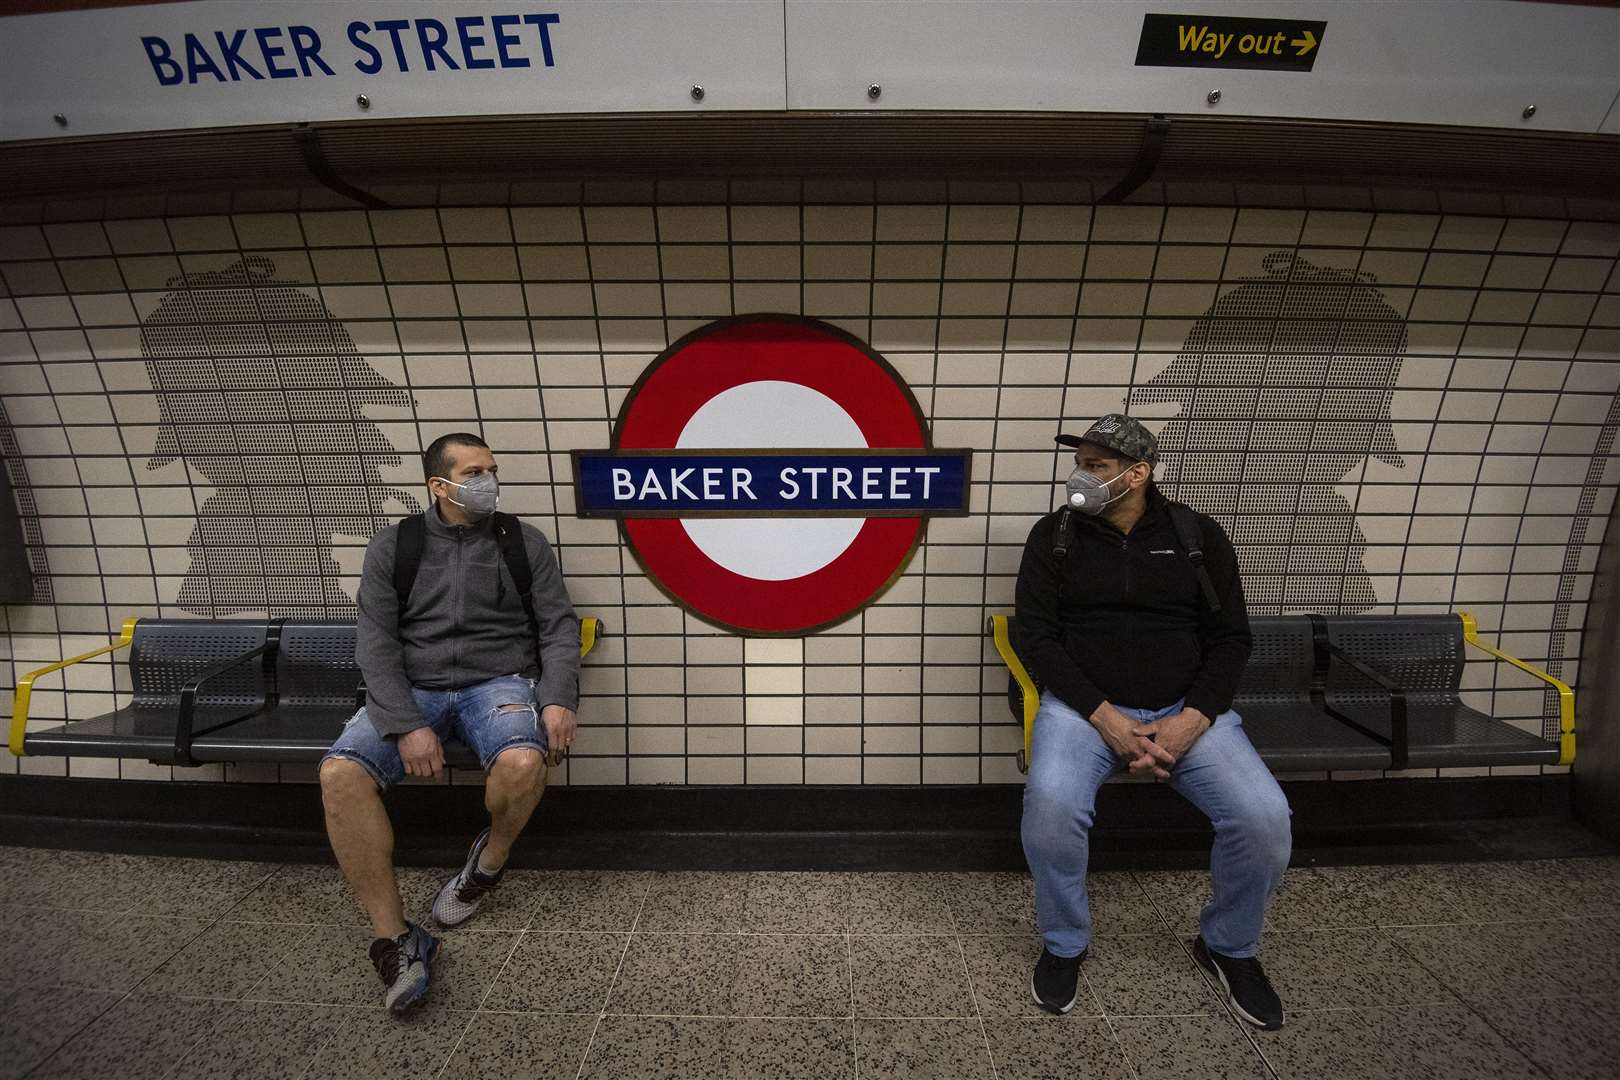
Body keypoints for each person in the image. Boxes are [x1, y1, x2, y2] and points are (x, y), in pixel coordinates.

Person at [1016, 414, 1291, 1029]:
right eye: (1079, 462)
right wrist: (1105, 717)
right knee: (1051, 809)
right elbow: (1037, 637)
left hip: (1187, 711)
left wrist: (1193, 718)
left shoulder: (1197, 537)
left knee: (1265, 819)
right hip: (1084, 709)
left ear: (1137, 474)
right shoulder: (1053, 536)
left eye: (1097, 465)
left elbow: (1231, 640)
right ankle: (1065, 943)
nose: (1079, 476)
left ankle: (1228, 944)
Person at [318, 432, 580, 1013]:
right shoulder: (395, 547)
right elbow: (376, 642)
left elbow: (559, 626)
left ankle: (486, 866)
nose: (488, 480)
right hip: (414, 688)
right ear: (439, 485)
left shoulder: (522, 542)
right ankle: (396, 939)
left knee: (522, 763)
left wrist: (560, 697)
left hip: (500, 682)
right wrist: (406, 722)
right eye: (474, 472)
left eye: (491, 468)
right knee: (340, 775)